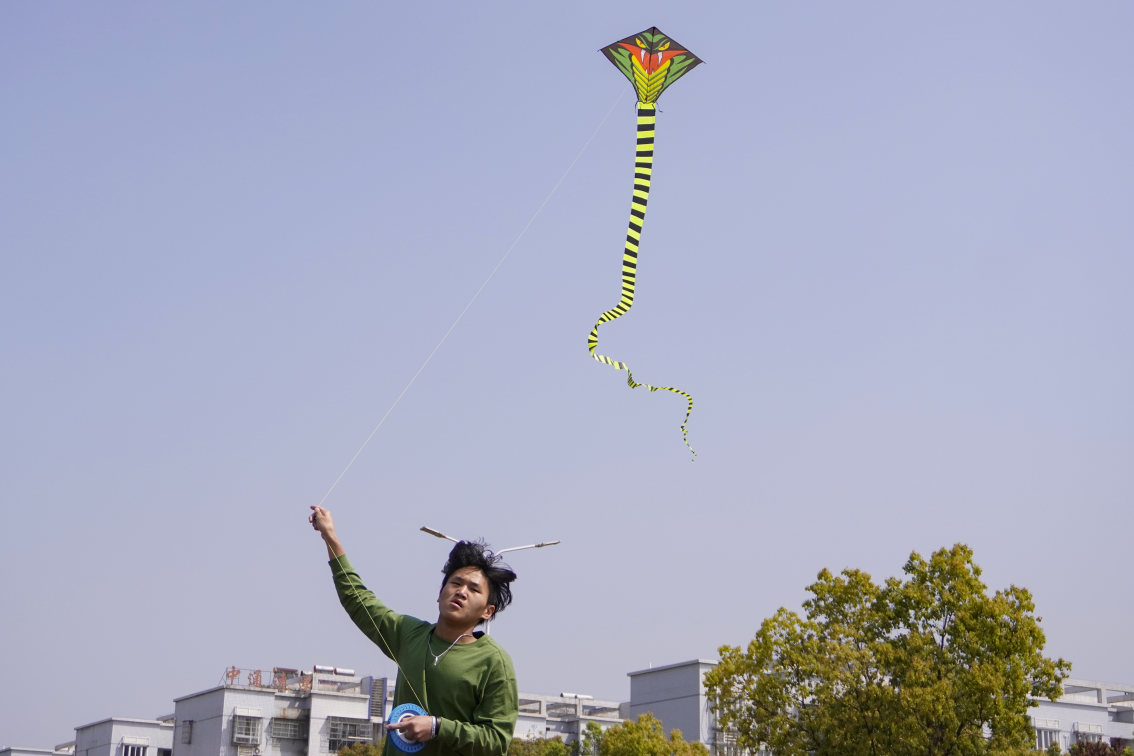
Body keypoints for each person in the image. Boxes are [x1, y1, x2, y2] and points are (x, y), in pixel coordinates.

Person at [309, 505, 519, 756]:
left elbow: (496, 742)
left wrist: (437, 727)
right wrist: (330, 537)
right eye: (455, 583)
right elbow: (358, 599)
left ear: (487, 611)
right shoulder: (409, 634)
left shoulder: (494, 662)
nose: (461, 592)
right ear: (440, 594)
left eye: (474, 589)